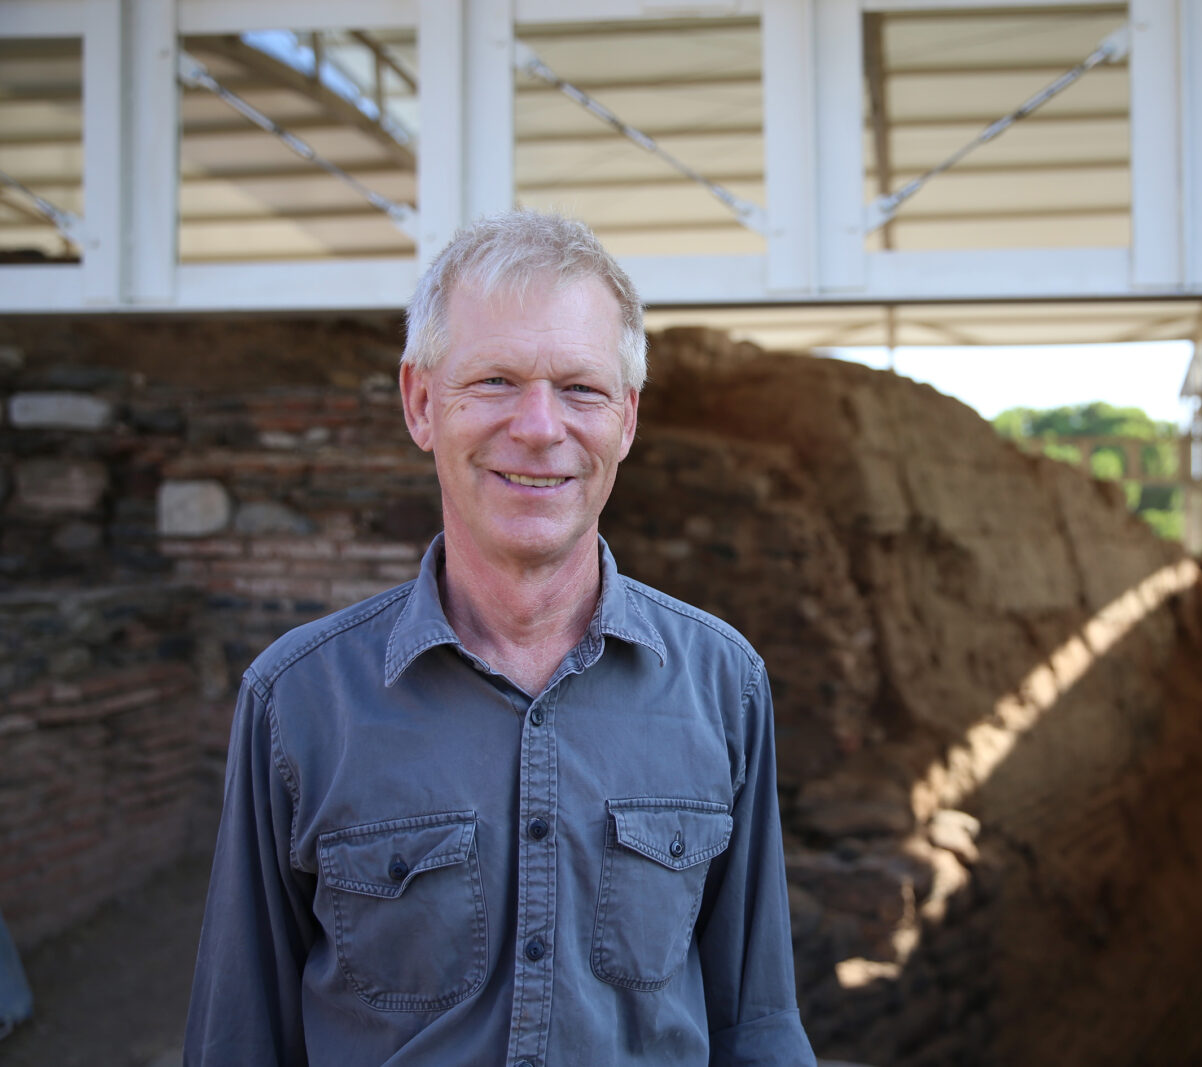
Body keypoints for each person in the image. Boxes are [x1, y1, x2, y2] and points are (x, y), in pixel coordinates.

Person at [185, 212, 815, 1066]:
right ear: (420, 403)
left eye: (581, 389)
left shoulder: (722, 683)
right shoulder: (296, 701)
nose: (539, 426)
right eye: (494, 381)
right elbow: (239, 1038)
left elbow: (761, 1025)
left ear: (626, 420)